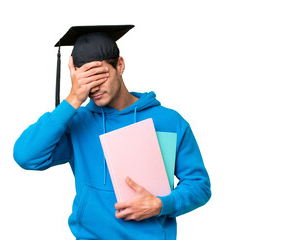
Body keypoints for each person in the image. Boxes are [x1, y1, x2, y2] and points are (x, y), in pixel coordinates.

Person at [13, 25, 211, 240]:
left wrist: (161, 205)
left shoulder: (168, 121)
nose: (94, 88)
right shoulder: (76, 123)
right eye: (86, 82)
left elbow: (198, 185)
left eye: (99, 77)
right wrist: (72, 100)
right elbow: (26, 156)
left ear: (120, 65)